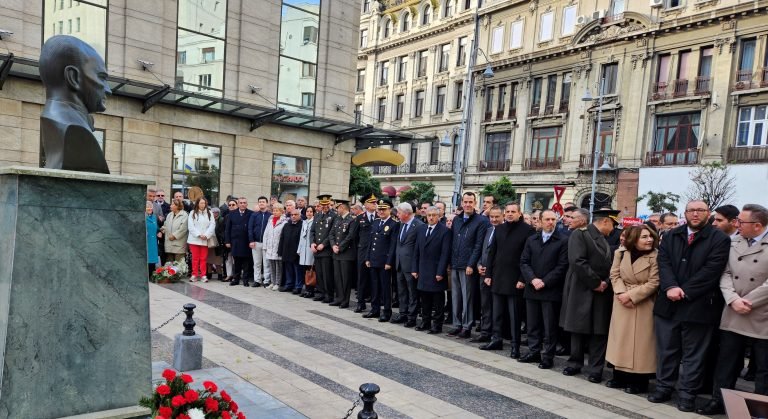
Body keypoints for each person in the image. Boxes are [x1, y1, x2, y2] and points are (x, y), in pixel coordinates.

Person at [649, 200, 730, 412]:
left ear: (708, 213)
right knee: (667, 350)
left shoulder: (719, 239)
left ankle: (687, 394)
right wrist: (670, 287)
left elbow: (713, 269)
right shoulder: (671, 235)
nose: (695, 214)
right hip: (668, 303)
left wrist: (685, 291)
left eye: (700, 210)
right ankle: (664, 387)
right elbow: (663, 263)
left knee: (694, 355)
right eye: (691, 210)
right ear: (685, 213)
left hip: (699, 305)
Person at [697, 204, 768, 415]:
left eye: (741, 222)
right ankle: (719, 400)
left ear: (757, 226)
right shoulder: (733, 241)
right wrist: (732, 299)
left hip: (762, 313)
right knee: (726, 361)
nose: (737, 225)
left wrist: (748, 301)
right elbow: (725, 273)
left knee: (763, 368)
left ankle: (760, 407)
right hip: (733, 309)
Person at [560, 208, 619, 384]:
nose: (613, 229)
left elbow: (610, 265)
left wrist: (606, 282)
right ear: (606, 221)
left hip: (601, 291)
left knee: (599, 330)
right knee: (578, 328)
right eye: (613, 224)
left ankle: (595, 368)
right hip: (582, 288)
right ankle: (575, 363)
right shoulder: (580, 234)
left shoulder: (603, 239)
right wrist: (595, 283)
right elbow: (578, 261)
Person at [605, 225, 660, 394]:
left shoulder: (656, 256)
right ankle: (619, 375)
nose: (649, 240)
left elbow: (654, 282)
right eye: (644, 237)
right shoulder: (620, 253)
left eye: (650, 236)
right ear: (633, 239)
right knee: (620, 340)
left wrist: (632, 296)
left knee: (641, 344)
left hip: (643, 303)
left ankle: (639, 381)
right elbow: (614, 275)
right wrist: (622, 293)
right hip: (621, 301)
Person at [482, 203, 535, 357]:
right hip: (498, 277)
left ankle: (515, 345)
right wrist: (488, 275)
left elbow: (527, 257)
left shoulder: (528, 231)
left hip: (515, 280)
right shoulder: (499, 229)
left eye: (513, 211)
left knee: (514, 316)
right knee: (496, 313)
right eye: (508, 212)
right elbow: (492, 253)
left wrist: (522, 279)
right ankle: (496, 339)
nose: (510, 214)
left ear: (519, 213)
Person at [518, 209, 569, 369]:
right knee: (533, 324)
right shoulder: (532, 239)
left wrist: (544, 282)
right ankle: (533, 351)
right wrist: (532, 279)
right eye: (547, 219)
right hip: (532, 288)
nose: (550, 222)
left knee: (549, 327)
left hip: (550, 290)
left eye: (553, 219)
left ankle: (548, 356)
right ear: (539, 221)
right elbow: (524, 261)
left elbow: (562, 266)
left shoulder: (563, 240)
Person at [448, 192, 489, 339]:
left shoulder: (481, 221)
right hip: (455, 263)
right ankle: (457, 324)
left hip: (468, 266)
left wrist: (471, 264)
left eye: (470, 202)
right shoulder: (457, 220)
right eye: (465, 202)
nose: (467, 204)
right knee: (456, 297)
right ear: (462, 203)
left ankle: (467, 326)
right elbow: (452, 242)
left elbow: (479, 245)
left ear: (475, 203)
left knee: (468, 298)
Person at [413, 206, 452, 334]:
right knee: (425, 299)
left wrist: (440, 272)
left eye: (434, 215)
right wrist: (415, 269)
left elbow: (445, 254)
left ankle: (437, 325)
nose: (431, 217)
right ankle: (425, 322)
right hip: (423, 270)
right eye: (429, 215)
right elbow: (416, 250)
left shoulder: (445, 231)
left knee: (438, 301)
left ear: (439, 216)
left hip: (436, 271)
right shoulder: (421, 229)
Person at [364, 199, 398, 322]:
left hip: (384, 262)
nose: (381, 211)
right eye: (380, 209)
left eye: (384, 209)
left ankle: (387, 312)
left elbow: (393, 245)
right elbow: (371, 241)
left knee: (385, 288)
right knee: (374, 287)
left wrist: (389, 262)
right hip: (373, 259)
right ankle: (374, 309)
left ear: (389, 210)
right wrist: (367, 257)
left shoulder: (394, 224)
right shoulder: (376, 222)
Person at [475, 206, 504, 344]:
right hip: (483, 273)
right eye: (491, 216)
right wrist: (479, 265)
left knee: (497, 306)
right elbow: (483, 251)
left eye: (497, 216)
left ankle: (496, 334)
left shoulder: (504, 232)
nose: (494, 219)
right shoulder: (488, 230)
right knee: (485, 304)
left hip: (497, 275)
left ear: (502, 216)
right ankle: (485, 332)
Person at [393, 202, 424, 327]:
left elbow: (420, 249)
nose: (398, 215)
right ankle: (403, 313)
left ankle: (412, 317)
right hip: (400, 264)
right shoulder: (402, 224)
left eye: (399, 213)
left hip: (411, 266)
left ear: (406, 213)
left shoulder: (419, 226)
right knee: (401, 291)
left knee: (412, 293)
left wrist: (416, 267)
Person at [330, 201, 357, 307]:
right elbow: (331, 234)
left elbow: (350, 236)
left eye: (338, 208)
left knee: (345, 278)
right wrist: (333, 246)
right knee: (337, 277)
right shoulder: (337, 219)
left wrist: (340, 247)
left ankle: (345, 300)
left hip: (346, 253)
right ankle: (339, 298)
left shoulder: (352, 220)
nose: (337, 210)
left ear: (342, 208)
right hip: (336, 252)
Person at [355, 193, 378, 313]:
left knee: (374, 279)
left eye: (375, 202)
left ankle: (375, 304)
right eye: (372, 202)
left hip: (375, 253)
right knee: (362, 278)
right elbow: (354, 237)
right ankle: (360, 302)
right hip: (363, 252)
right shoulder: (360, 218)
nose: (375, 204)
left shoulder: (379, 217)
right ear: (365, 205)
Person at [311, 194, 337, 303]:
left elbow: (332, 233)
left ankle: (329, 294)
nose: (325, 206)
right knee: (319, 273)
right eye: (323, 204)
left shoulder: (334, 215)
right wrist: (312, 243)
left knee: (327, 274)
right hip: (316, 249)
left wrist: (324, 244)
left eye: (327, 204)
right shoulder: (317, 215)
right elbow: (312, 231)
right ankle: (321, 293)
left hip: (326, 250)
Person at [226, 197, 254, 287]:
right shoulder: (232, 213)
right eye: (241, 203)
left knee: (246, 263)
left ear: (247, 204)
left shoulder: (251, 213)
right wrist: (227, 241)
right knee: (236, 262)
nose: (242, 204)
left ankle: (245, 280)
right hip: (235, 241)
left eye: (244, 203)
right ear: (238, 204)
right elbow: (228, 229)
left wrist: (251, 240)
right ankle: (236, 279)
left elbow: (252, 228)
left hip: (246, 241)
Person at [187, 197, 216, 283]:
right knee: (195, 258)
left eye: (204, 203)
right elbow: (191, 226)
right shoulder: (192, 213)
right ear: (197, 204)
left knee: (203, 258)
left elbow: (212, 225)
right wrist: (199, 235)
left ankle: (203, 275)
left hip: (205, 239)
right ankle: (194, 274)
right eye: (201, 203)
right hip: (194, 239)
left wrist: (206, 235)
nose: (202, 205)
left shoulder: (209, 213)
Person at [248, 196, 272, 287]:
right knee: (257, 263)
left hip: (266, 243)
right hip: (256, 242)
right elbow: (250, 228)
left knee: (266, 263)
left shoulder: (270, 215)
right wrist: (251, 240)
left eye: (263, 202)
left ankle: (266, 281)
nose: (261, 203)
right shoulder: (254, 215)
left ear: (267, 203)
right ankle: (257, 280)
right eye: (260, 202)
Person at [163, 198, 188, 263]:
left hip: (179, 243)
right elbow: (165, 225)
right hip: (169, 243)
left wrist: (174, 236)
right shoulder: (169, 214)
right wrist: (162, 229)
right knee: (169, 264)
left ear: (177, 206)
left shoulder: (184, 215)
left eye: (172, 204)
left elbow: (183, 229)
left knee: (179, 264)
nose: (170, 206)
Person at [298, 206, 316, 297]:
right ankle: (306, 288)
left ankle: (311, 290)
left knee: (311, 269)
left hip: (310, 248)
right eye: (307, 211)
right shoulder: (304, 222)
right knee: (305, 269)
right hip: (303, 248)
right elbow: (301, 236)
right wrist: (299, 249)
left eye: (311, 211)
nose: (309, 213)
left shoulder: (315, 222)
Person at [208, 207, 226, 280]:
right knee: (208, 260)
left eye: (216, 212)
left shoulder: (221, 220)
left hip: (218, 243)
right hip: (210, 242)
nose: (214, 214)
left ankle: (219, 274)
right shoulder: (209, 220)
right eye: (213, 212)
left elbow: (222, 231)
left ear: (218, 213)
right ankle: (209, 274)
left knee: (218, 261)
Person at [146, 201, 161, 279]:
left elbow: (157, 228)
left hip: (153, 241)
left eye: (151, 206)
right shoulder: (143, 217)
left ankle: (151, 275)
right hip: (146, 240)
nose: (149, 208)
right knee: (147, 257)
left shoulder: (154, 217)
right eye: (147, 206)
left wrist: (159, 232)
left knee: (152, 258)